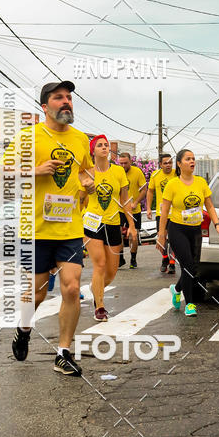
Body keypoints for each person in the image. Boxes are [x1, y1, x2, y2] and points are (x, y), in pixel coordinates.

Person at [0, 80, 93, 376]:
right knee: (36, 294)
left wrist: (87, 183)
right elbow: (0, 173)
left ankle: (63, 352)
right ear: (45, 106)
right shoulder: (29, 137)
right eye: (59, 98)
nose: (66, 102)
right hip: (36, 230)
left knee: (72, 288)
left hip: (70, 229)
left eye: (69, 98)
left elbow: (84, 172)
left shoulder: (80, 139)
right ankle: (24, 329)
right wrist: (34, 170)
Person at [157, 148, 219, 316]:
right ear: (179, 164)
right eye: (188, 159)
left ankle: (177, 288)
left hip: (196, 229)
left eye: (193, 159)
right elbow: (164, 211)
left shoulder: (201, 182)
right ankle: (190, 303)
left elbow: (209, 205)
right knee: (187, 265)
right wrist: (161, 234)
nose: (192, 161)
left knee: (193, 267)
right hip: (177, 229)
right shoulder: (173, 184)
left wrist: (217, 224)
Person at [82, 136, 134, 321]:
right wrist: (86, 189)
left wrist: (132, 225)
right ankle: (100, 307)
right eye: (100, 145)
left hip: (113, 223)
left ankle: (96, 288)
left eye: (106, 145)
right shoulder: (87, 172)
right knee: (100, 264)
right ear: (93, 151)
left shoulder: (119, 171)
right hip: (92, 223)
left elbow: (125, 200)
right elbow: (79, 199)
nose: (104, 148)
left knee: (111, 272)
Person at [146, 153, 176, 274]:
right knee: (162, 237)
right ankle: (165, 259)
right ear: (160, 164)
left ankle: (172, 263)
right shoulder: (155, 175)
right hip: (161, 213)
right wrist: (148, 208)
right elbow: (150, 191)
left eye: (170, 162)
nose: (168, 165)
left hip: (175, 213)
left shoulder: (177, 173)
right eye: (165, 163)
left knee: (173, 239)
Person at [118, 152, 146, 268]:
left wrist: (135, 202)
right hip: (120, 209)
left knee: (133, 236)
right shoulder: (118, 172)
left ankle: (133, 258)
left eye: (126, 163)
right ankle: (120, 258)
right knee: (118, 233)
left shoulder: (137, 172)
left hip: (134, 210)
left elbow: (144, 190)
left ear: (131, 161)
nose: (123, 165)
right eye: (121, 163)